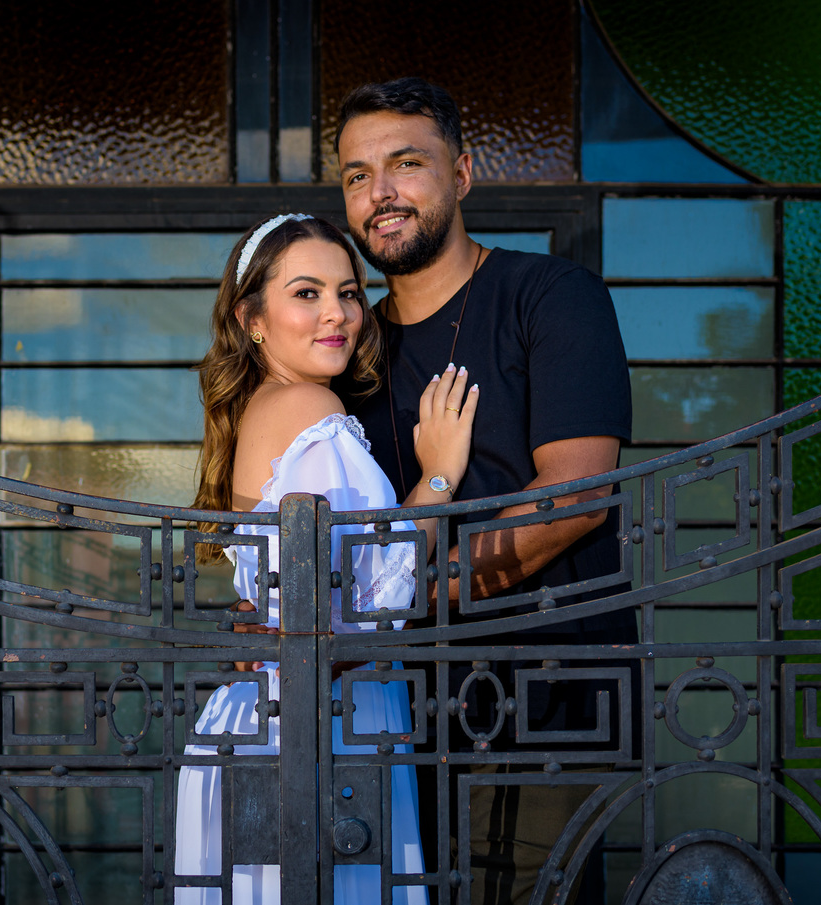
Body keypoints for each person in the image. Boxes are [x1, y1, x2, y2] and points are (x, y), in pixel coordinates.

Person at [334, 78, 637, 905]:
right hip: (389, 714)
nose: (381, 193)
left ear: (462, 174)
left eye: (405, 164)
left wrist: (403, 600)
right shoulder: (346, 348)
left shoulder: (550, 295)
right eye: (358, 175)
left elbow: (576, 494)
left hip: (549, 698)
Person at [173, 213, 479, 904]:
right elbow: (364, 600)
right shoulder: (311, 406)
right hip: (319, 723)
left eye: (347, 291)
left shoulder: (263, 406)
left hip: (274, 720)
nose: (338, 314)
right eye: (306, 293)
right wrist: (438, 477)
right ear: (252, 318)